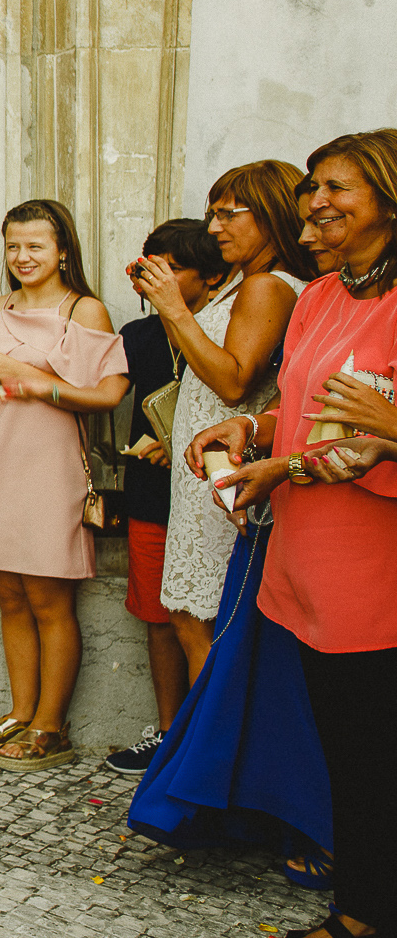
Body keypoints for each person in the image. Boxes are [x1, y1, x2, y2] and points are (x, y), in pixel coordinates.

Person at [196, 129, 397, 938]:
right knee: (347, 761)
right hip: (308, 567)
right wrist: (254, 431)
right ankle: (357, 914)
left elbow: (367, 438)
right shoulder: (318, 296)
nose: (315, 200)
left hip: (377, 576)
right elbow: (298, 404)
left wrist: (308, 457)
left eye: (338, 186)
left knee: (382, 764)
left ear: (388, 198)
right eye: (312, 184)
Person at [0, 198, 129, 771]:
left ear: (62, 249)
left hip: (49, 468)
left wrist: (32, 379)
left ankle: (52, 727)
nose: (22, 256)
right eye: (13, 246)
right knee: (10, 594)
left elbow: (110, 395)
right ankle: (21, 711)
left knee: (49, 598)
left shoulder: (84, 311)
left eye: (35, 246)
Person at [140, 161, 314, 681]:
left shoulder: (268, 286)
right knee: (189, 617)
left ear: (269, 214)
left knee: (203, 624)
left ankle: (212, 756)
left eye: (226, 214)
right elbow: (199, 360)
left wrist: (174, 309)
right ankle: (203, 750)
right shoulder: (244, 282)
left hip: (228, 467)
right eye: (211, 214)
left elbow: (235, 381)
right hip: (205, 465)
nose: (213, 228)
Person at [103, 218, 227, 774]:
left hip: (208, 496)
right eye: (152, 265)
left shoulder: (225, 332)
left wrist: (177, 440)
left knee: (204, 618)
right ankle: (170, 732)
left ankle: (210, 743)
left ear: (212, 276)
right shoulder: (139, 334)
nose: (160, 277)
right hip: (151, 496)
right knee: (159, 614)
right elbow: (102, 392)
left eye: (175, 268)